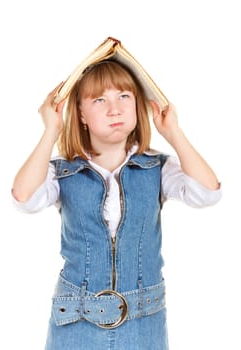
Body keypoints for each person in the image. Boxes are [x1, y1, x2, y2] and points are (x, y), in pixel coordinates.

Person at [12, 59, 221, 350]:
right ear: (81, 113)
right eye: (99, 100)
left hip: (144, 323)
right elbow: (25, 199)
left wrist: (173, 132)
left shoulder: (156, 167)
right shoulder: (63, 170)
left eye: (124, 96)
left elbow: (208, 193)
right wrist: (51, 131)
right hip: (75, 323)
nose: (115, 109)